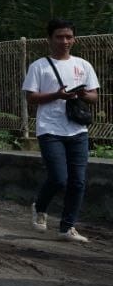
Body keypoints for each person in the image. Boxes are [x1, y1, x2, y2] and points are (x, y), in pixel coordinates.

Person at [23, 18, 100, 243]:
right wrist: (57, 95)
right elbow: (31, 97)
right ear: (49, 39)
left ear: (74, 39)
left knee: (78, 181)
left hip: (77, 129)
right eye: (59, 36)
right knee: (59, 178)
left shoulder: (84, 65)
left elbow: (94, 95)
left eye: (68, 37)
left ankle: (67, 227)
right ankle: (40, 206)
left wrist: (82, 94)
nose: (64, 41)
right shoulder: (39, 66)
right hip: (50, 129)